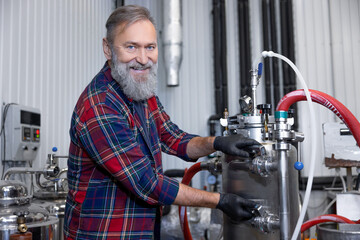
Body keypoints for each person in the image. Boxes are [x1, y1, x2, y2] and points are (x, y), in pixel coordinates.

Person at [64, 5, 260, 240]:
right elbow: (146, 182)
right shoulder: (100, 106)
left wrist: (218, 142)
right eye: (131, 47)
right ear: (108, 48)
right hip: (105, 234)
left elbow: (172, 138)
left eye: (150, 47)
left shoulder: (139, 90)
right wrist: (220, 201)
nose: (143, 59)